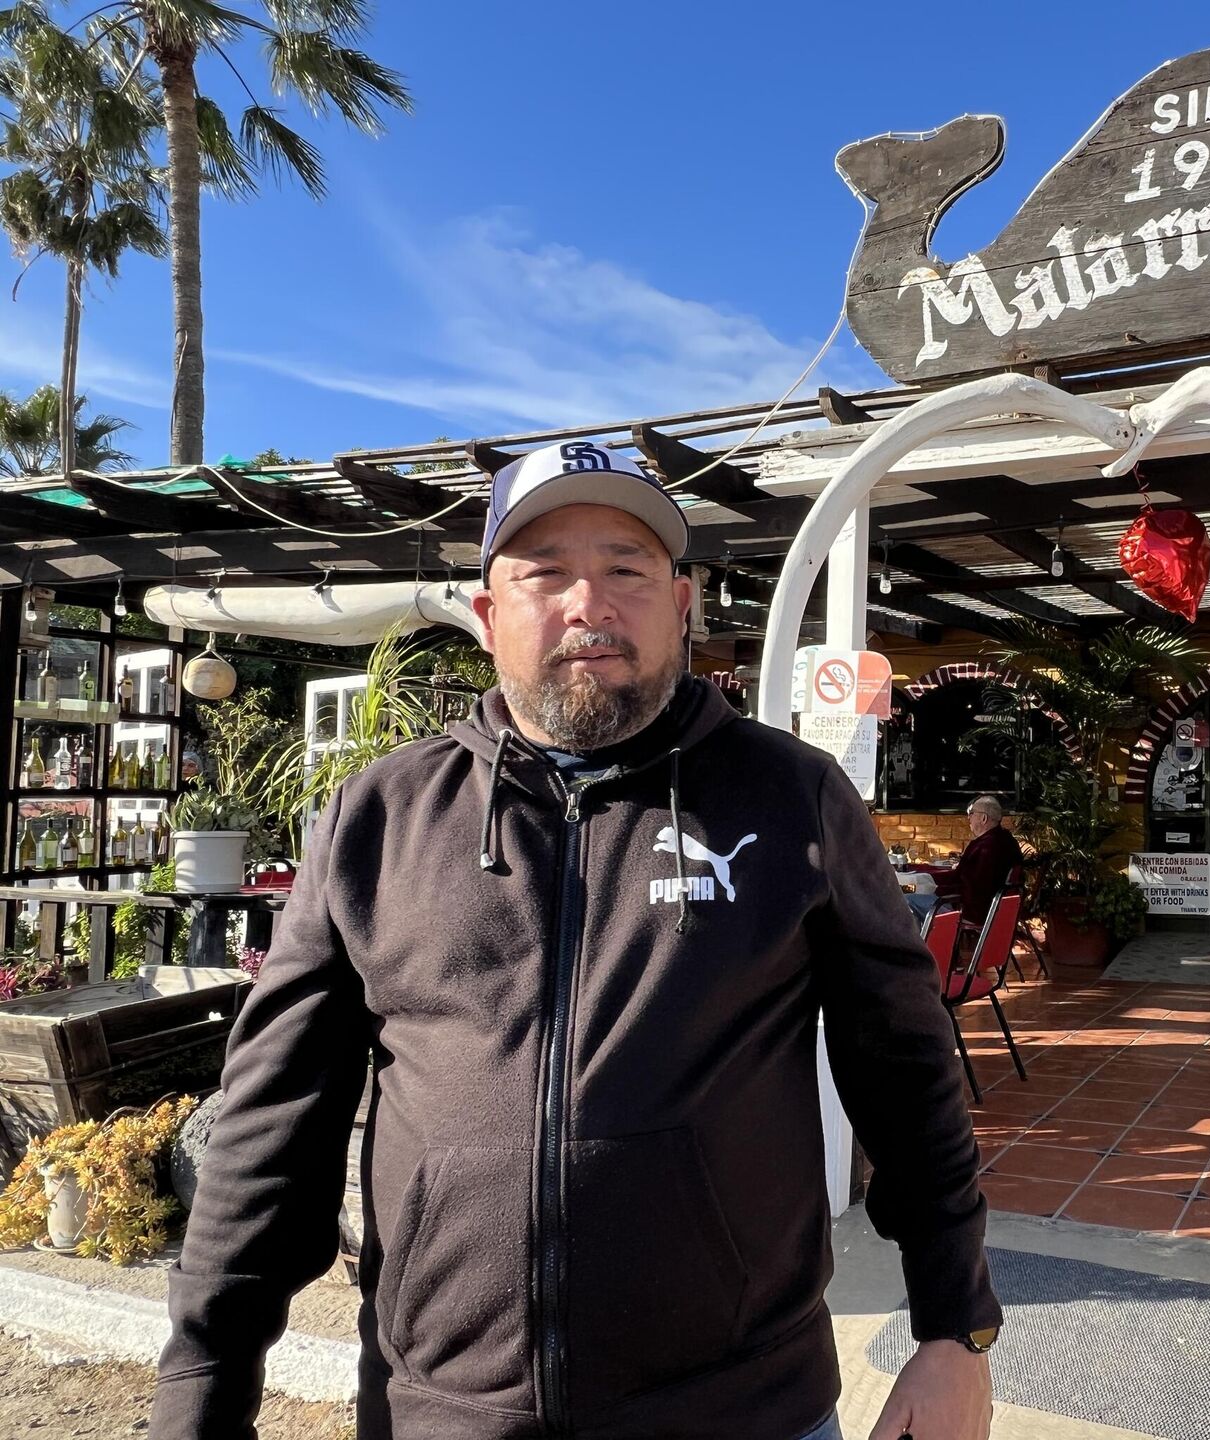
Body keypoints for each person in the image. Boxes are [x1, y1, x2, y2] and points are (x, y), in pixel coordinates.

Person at [152, 441, 1001, 1440]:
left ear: (683, 605)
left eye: (627, 570)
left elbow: (907, 1078)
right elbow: (271, 1122)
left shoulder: (793, 798)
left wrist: (954, 1331)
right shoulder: (378, 818)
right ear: (486, 617)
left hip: (745, 1413)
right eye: (544, 573)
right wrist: (202, 1393)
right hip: (442, 1418)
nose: (587, 603)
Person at [936, 796, 1024, 927]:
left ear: (983, 818)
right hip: (996, 908)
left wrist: (935, 889)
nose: (968, 818)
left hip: (972, 911)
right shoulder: (1008, 840)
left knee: (911, 902)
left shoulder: (985, 846)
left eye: (971, 814)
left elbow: (972, 887)